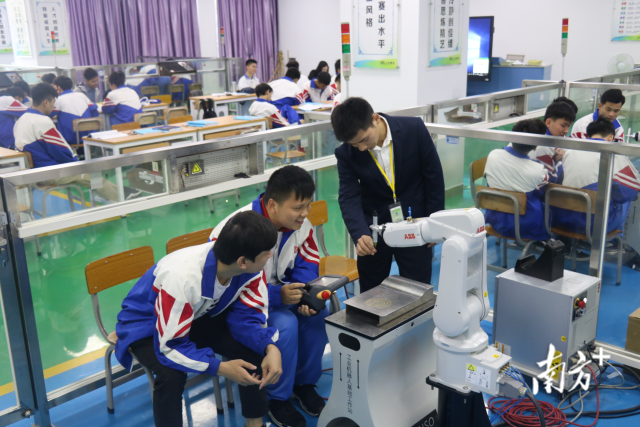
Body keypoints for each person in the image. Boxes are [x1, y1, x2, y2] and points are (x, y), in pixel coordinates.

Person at [116, 211, 283, 427]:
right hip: (146, 325)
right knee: (171, 375)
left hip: (193, 316)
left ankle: (254, 423)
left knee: (250, 348)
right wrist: (220, 367)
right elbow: (170, 346)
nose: (270, 255)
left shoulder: (249, 267)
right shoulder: (182, 278)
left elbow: (248, 318)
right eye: (266, 252)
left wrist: (270, 347)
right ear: (243, 261)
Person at [210, 166, 327, 427]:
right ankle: (277, 398)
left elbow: (308, 261)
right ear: (272, 205)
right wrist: (276, 296)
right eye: (298, 207)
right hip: (241, 306)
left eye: (308, 205)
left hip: (281, 294)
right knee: (285, 324)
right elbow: (229, 284)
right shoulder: (237, 229)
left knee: (318, 314)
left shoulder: (301, 226)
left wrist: (304, 293)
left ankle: (303, 384)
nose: (305, 213)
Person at [332, 97, 445, 292]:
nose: (361, 148)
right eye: (354, 145)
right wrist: (360, 234)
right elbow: (348, 196)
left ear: (375, 119)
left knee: (417, 291)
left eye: (364, 140)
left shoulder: (413, 129)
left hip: (415, 224)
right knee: (372, 295)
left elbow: (433, 177)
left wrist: (434, 223)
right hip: (374, 233)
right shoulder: (345, 153)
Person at [13, 83, 120, 201]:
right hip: (49, 173)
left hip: (33, 173)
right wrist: (76, 162)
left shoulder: (20, 120)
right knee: (94, 176)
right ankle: (122, 200)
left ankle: (116, 195)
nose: (54, 106)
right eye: (53, 102)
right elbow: (61, 151)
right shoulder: (42, 121)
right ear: (46, 102)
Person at [555, 118, 640, 235]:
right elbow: (630, 192)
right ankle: (615, 240)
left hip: (564, 220)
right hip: (595, 225)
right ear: (611, 138)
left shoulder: (570, 152)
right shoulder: (613, 155)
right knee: (625, 200)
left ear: (588, 135)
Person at [484, 119, 550, 241]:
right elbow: (541, 194)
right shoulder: (539, 171)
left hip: (495, 219)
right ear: (536, 146)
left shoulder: (493, 155)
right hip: (526, 226)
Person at [530, 101, 576, 183]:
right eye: (563, 126)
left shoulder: (557, 136)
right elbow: (549, 182)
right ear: (549, 122)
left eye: (569, 126)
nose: (566, 131)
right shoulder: (542, 146)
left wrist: (564, 152)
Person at [52, 76, 99, 147]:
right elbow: (94, 109)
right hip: (90, 136)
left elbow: (49, 113)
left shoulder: (59, 100)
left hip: (71, 138)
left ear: (58, 87)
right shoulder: (82, 95)